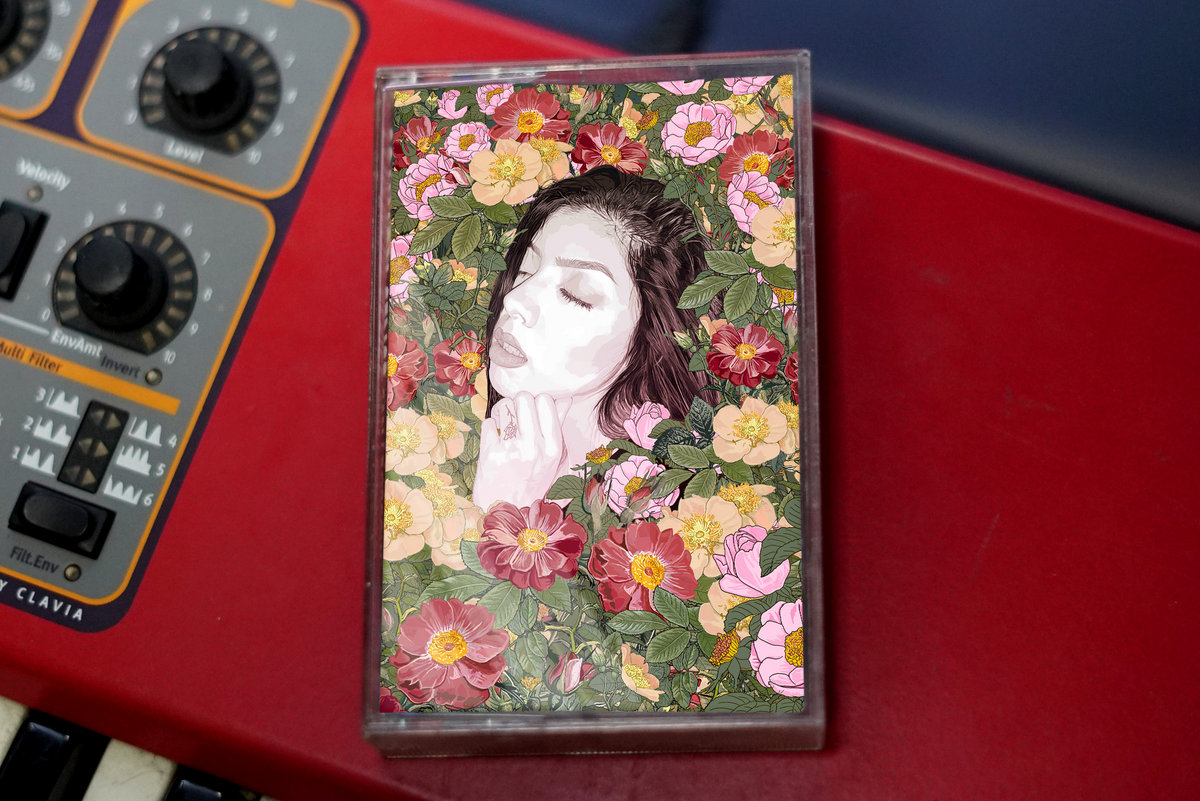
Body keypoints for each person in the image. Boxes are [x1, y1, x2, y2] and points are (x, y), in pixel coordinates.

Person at [472, 166, 713, 510]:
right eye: (525, 269)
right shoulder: (479, 447)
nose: (515, 300)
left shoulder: (657, 508)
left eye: (576, 295)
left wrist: (503, 507)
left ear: (651, 335)